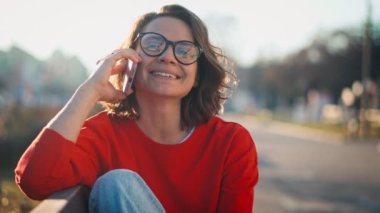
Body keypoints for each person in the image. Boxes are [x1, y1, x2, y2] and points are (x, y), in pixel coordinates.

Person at [15, 4, 259, 213]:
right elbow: (35, 180)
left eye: (185, 50)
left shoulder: (231, 143)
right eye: (154, 44)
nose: (168, 57)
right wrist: (89, 90)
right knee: (117, 184)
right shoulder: (102, 135)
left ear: (197, 75)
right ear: (130, 60)